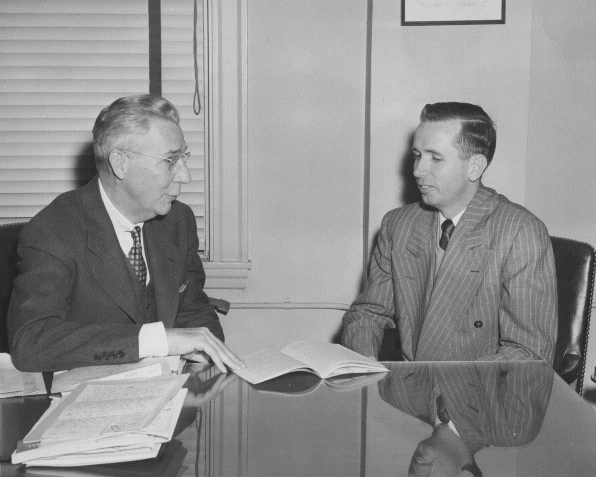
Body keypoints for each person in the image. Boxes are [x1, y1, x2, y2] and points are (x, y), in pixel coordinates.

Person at [8, 94, 244, 374]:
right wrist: (157, 340)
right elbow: (30, 343)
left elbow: (194, 310)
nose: (185, 176)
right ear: (120, 164)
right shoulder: (53, 231)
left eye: (183, 158)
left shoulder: (178, 221)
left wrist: (204, 359)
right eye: (170, 160)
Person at [342, 102, 558, 362]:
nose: (417, 170)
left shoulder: (519, 232)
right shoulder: (398, 225)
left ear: (475, 167)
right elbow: (367, 314)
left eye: (435, 158)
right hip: (408, 394)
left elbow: (527, 353)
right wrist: (365, 371)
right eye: (417, 155)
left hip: (480, 397)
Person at [378, 361, 553, 477]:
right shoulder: (515, 424)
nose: (413, 472)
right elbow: (528, 349)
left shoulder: (395, 393)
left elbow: (370, 314)